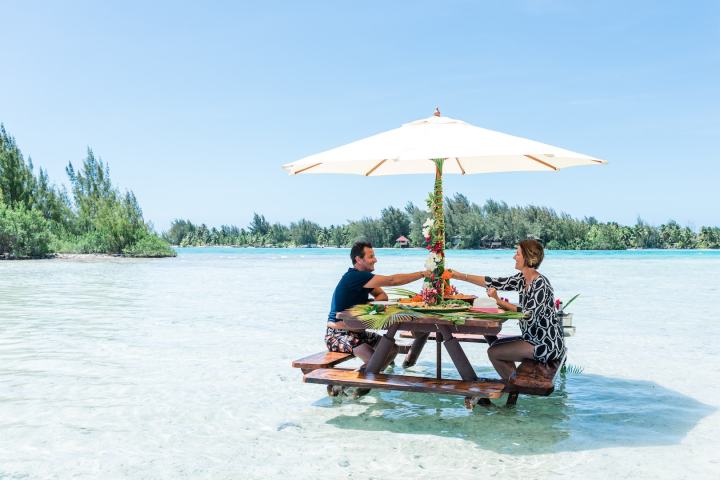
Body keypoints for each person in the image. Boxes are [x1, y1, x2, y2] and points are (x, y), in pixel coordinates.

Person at [448, 239, 565, 381]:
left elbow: (528, 314)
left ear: (529, 258)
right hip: (532, 339)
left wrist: (498, 301)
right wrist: (459, 276)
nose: (514, 257)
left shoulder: (541, 284)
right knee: (496, 344)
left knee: (494, 352)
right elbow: (495, 282)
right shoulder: (522, 279)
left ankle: (514, 387)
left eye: (517, 254)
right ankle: (513, 382)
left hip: (545, 345)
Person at [326, 241, 431, 370]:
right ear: (358, 259)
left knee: (392, 349)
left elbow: (382, 296)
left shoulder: (364, 279)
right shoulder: (354, 277)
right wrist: (422, 274)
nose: (375, 260)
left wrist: (365, 305)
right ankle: (344, 386)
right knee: (374, 359)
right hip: (337, 334)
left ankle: (363, 384)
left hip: (360, 334)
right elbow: (392, 281)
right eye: (371, 257)